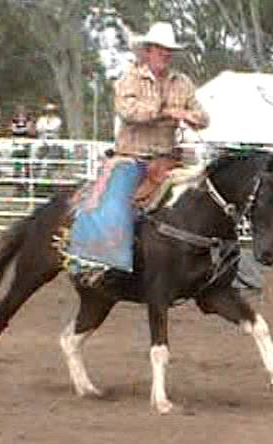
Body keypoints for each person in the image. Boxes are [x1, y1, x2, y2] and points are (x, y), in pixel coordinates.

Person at [66, 21, 208, 276]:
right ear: (148, 51)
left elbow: (203, 116)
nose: (165, 54)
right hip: (133, 157)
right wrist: (167, 112)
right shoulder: (129, 79)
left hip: (168, 159)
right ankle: (94, 261)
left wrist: (194, 117)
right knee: (113, 206)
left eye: (169, 50)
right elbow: (128, 111)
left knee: (209, 195)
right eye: (160, 49)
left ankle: (218, 262)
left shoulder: (183, 82)